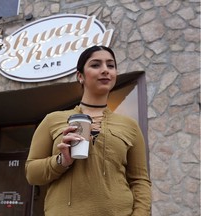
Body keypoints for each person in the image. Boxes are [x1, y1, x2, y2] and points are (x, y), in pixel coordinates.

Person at [25, 45, 152, 216]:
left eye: (111, 65)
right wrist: (61, 161)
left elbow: (140, 181)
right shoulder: (52, 120)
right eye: (96, 65)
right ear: (80, 76)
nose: (105, 70)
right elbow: (32, 174)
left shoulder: (130, 125)